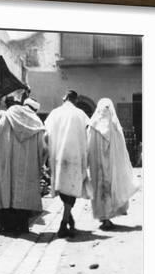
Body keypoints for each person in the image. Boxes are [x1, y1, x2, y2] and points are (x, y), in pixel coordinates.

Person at [0, 97, 46, 235]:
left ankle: (7, 227)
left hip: (5, 164)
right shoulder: (37, 125)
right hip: (27, 168)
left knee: (6, 191)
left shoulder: (7, 117)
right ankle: (22, 226)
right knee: (23, 194)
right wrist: (40, 166)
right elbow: (43, 150)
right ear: (35, 110)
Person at [44, 90, 91, 238]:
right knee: (72, 190)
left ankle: (67, 220)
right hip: (75, 157)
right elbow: (88, 135)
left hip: (59, 157)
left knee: (64, 190)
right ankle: (64, 223)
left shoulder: (54, 113)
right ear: (75, 100)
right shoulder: (80, 114)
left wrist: (50, 152)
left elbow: (46, 137)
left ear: (65, 98)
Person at [87, 98, 139, 229]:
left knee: (100, 190)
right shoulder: (114, 126)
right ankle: (106, 218)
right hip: (110, 166)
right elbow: (122, 149)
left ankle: (103, 217)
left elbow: (87, 147)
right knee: (108, 189)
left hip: (97, 167)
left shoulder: (92, 125)